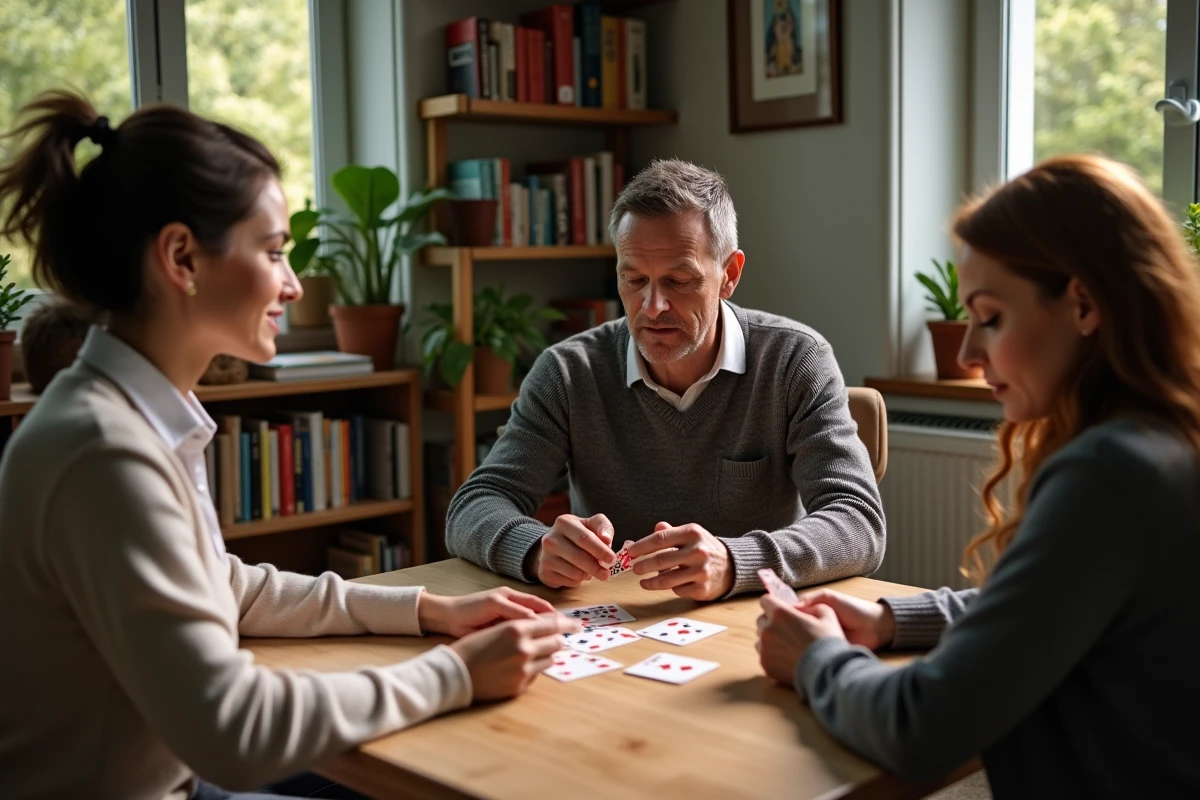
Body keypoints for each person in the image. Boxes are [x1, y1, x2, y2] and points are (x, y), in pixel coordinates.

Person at [0, 91, 579, 800]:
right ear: (181, 257)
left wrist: (427, 609)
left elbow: (223, 584)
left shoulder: (134, 413)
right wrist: (457, 674)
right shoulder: (103, 453)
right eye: (274, 252)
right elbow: (236, 731)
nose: (294, 284)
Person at [756, 155, 1200, 797]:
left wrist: (817, 660)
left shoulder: (1108, 474)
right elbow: (1051, 606)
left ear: (1082, 303)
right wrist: (891, 620)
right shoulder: (1167, 439)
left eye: (990, 317)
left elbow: (922, 725)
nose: (966, 352)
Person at [446, 159, 884, 601]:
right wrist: (535, 549)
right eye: (633, 279)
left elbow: (857, 521)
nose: (652, 306)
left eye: (678, 280)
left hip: (755, 619)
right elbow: (475, 505)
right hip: (618, 622)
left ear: (729, 275)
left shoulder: (795, 360)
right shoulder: (568, 371)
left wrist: (735, 562)